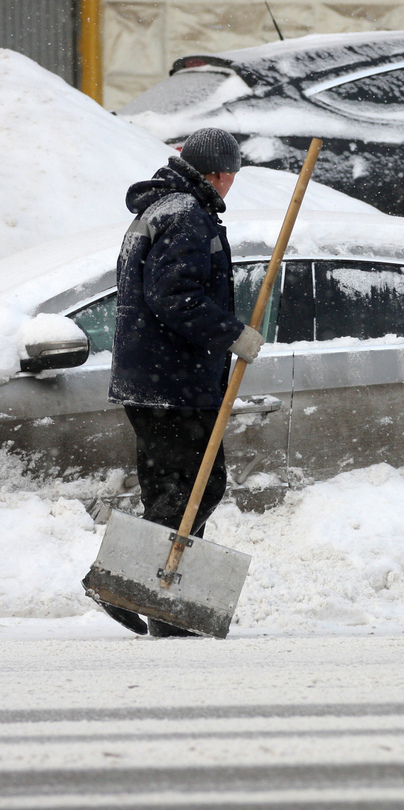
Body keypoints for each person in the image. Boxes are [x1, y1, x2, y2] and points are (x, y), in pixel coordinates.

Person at [87, 128, 265, 637]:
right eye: (232, 174)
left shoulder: (160, 210)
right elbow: (173, 296)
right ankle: (115, 578)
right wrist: (232, 334)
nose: (232, 183)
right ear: (221, 173)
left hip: (150, 378)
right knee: (199, 488)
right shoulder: (186, 214)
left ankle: (166, 608)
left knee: (169, 490)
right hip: (175, 383)